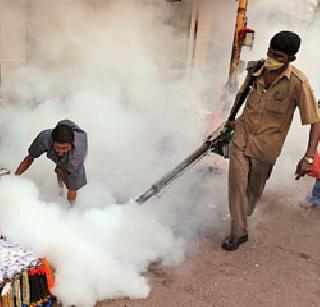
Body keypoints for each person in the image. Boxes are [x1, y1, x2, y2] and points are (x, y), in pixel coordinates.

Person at [222, 30, 320, 251]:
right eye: (271, 53)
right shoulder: (256, 69)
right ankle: (238, 233)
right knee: (237, 185)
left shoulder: (298, 83)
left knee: (253, 191)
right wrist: (232, 120)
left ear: (291, 59)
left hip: (266, 149)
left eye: (279, 57)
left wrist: (309, 156)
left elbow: (315, 120)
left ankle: (243, 215)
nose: (273, 59)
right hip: (241, 138)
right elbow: (241, 98)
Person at [15, 120, 88, 205]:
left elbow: (72, 189)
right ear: (52, 142)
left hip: (74, 150)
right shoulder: (44, 138)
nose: (60, 152)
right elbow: (30, 157)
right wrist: (15, 177)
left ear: (71, 145)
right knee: (60, 168)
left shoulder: (76, 156)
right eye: (58, 147)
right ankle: (60, 191)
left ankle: (61, 191)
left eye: (64, 148)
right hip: (64, 125)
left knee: (67, 176)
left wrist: (70, 212)